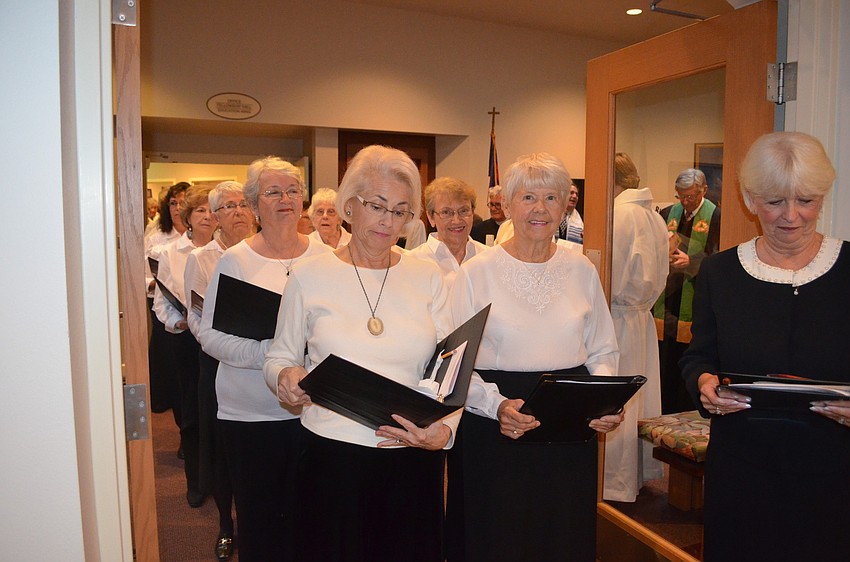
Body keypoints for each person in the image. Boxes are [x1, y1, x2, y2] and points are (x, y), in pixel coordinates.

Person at [265, 145, 457, 562]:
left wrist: (444, 432)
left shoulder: (427, 276)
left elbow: (451, 368)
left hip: (411, 455)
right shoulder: (310, 275)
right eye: (378, 206)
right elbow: (278, 356)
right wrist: (284, 378)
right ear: (349, 205)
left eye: (402, 211)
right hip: (332, 456)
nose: (389, 222)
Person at [681, 131, 850, 562]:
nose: (791, 216)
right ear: (751, 199)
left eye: (806, 200)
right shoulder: (720, 273)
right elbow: (699, 355)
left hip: (835, 469)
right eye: (775, 202)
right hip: (743, 469)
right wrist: (704, 383)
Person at [446, 152, 621, 562]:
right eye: (527, 198)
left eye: (551, 198)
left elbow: (603, 349)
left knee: (561, 533)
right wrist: (498, 406)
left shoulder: (581, 269)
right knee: (497, 536)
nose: (539, 209)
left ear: (565, 206)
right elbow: (454, 364)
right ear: (506, 205)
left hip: (568, 425)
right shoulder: (475, 273)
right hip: (496, 423)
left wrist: (602, 399)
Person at [197, 157, 330, 562]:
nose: (285, 199)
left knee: (311, 520)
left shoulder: (325, 255)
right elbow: (209, 335)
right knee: (261, 523)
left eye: (292, 191)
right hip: (251, 414)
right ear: (254, 204)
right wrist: (273, 355)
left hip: (313, 413)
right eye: (273, 192)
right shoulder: (236, 260)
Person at [183, 180, 253, 561]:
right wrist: (228, 346)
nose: (238, 211)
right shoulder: (203, 257)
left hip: (265, 364)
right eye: (228, 206)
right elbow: (196, 318)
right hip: (218, 363)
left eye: (244, 203)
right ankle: (227, 525)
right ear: (215, 216)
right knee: (224, 448)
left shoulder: (267, 250)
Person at [603, 153, 669, 502]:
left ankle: (615, 482)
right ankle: (638, 474)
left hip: (618, 317)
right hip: (640, 316)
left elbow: (609, 274)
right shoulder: (651, 214)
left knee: (619, 404)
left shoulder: (622, 214)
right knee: (638, 402)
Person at [153, 184, 218, 508]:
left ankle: (222, 480)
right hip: (186, 344)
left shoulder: (229, 251)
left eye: (211, 210)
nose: (207, 216)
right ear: (188, 217)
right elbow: (160, 304)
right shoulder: (170, 254)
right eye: (200, 211)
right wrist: (177, 322)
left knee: (220, 415)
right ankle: (196, 481)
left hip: (220, 345)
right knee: (192, 416)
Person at [654, 168, 720, 413]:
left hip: (695, 299)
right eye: (680, 196)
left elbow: (718, 260)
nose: (685, 202)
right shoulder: (669, 213)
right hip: (668, 298)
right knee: (665, 361)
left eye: (691, 196)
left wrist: (691, 263)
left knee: (687, 360)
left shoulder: (716, 217)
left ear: (703, 190)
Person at [146, 182, 190, 420]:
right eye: (173, 203)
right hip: (165, 306)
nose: (177, 207)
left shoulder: (205, 236)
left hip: (196, 309)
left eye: (183, 202)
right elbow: (140, 275)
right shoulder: (157, 237)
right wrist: (156, 283)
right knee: (171, 365)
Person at [407, 176, 486, 290]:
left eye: (463, 211)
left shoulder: (488, 258)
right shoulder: (413, 262)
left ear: (473, 213)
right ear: (430, 217)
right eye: (446, 212)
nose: (456, 220)